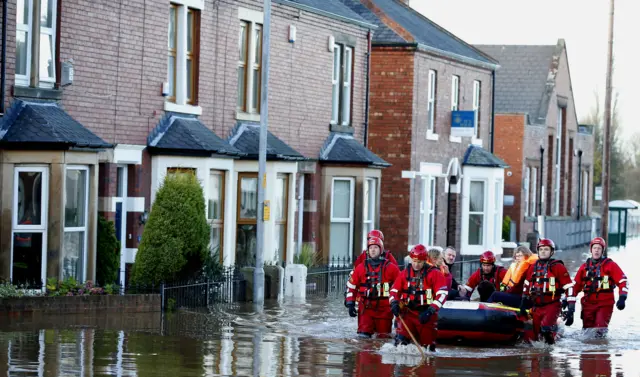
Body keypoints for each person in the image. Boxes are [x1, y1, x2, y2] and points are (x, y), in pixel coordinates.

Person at [389, 244, 448, 352]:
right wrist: (394, 303)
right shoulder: (404, 274)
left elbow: (442, 294)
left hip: (426, 314)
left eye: (419, 262)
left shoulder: (435, 274)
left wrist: (431, 310)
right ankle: (402, 367)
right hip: (407, 314)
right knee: (400, 345)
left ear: (425, 260)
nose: (416, 265)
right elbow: (394, 291)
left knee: (428, 349)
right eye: (414, 261)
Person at [519, 238, 574, 344]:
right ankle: (541, 354)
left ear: (551, 252)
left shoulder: (558, 266)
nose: (543, 251)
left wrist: (571, 307)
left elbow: (569, 286)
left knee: (545, 329)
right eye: (541, 249)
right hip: (536, 306)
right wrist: (523, 302)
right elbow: (526, 285)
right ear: (538, 251)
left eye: (546, 249)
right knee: (535, 337)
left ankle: (550, 351)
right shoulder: (532, 267)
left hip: (552, 305)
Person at [569, 237, 628, 335]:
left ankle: (601, 349)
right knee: (586, 333)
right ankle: (588, 350)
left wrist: (622, 297)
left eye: (599, 248)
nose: (596, 250)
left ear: (602, 250)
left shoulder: (610, 265)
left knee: (600, 330)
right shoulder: (584, 267)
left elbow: (623, 281)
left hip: (605, 303)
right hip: (588, 304)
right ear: (591, 250)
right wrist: (569, 304)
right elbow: (575, 286)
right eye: (594, 248)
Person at [346, 236, 400, 338]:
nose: (373, 250)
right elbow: (351, 286)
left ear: (381, 249)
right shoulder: (361, 267)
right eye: (370, 248)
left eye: (375, 247)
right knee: (363, 337)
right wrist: (350, 303)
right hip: (366, 308)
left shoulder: (391, 268)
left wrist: (397, 304)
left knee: (383, 338)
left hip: (384, 310)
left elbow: (401, 286)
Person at [344, 229, 397, 307]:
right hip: (366, 296)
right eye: (371, 241)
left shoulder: (388, 257)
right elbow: (354, 275)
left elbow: (397, 278)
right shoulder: (363, 256)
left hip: (384, 296)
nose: (373, 243)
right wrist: (349, 298)